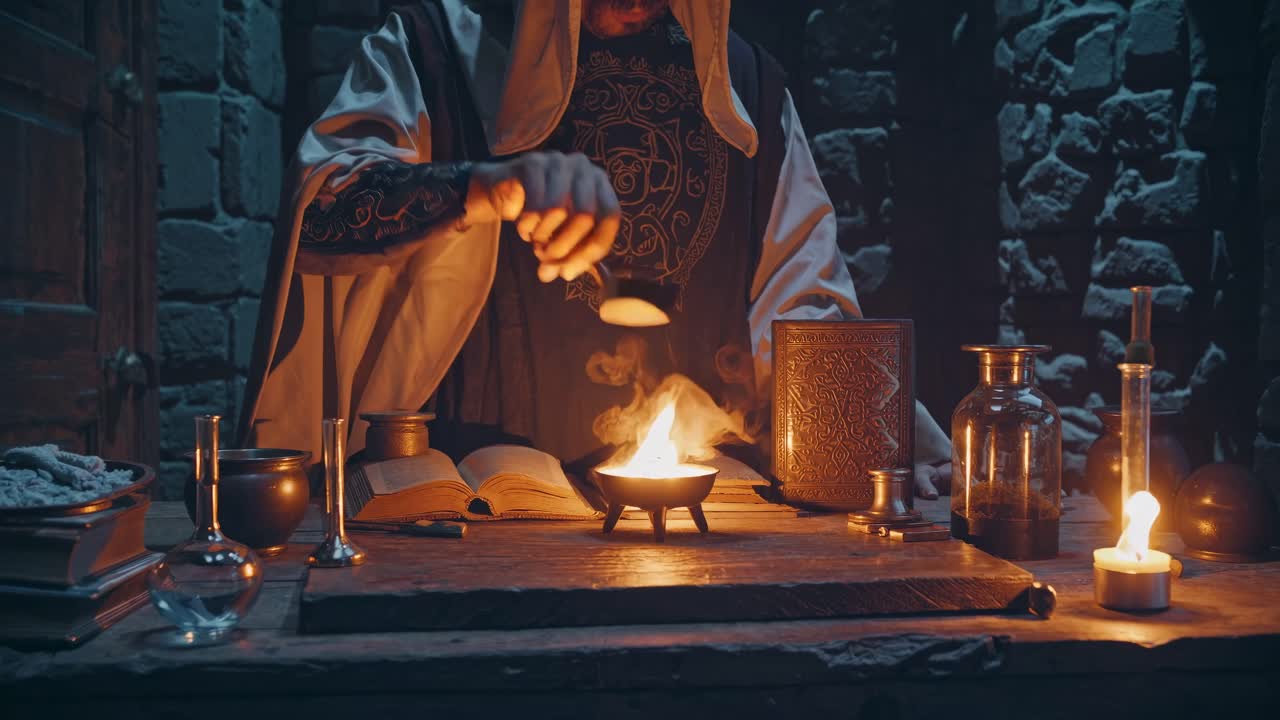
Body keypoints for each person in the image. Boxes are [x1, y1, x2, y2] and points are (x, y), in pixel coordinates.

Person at [238, 0, 953, 497]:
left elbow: (807, 300)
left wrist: (873, 440)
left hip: (705, 514)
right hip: (471, 507)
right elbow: (324, 213)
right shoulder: (431, 52)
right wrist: (480, 187)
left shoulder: (746, 90)